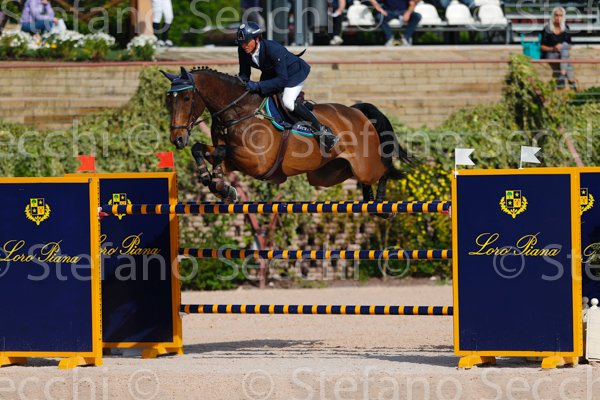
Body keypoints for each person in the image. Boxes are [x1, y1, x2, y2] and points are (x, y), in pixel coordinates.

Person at [237, 22, 339, 152]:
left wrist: (257, 85)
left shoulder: (273, 49)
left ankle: (323, 132)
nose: (244, 46)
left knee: (288, 102)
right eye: (241, 43)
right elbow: (244, 75)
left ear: (257, 39)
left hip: (293, 73)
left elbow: (281, 80)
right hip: (272, 73)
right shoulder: (242, 50)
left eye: (246, 42)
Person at [541, 6, 576, 90]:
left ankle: (562, 75)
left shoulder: (566, 28)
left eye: (561, 15)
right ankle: (571, 82)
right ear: (553, 16)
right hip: (551, 53)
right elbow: (542, 47)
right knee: (567, 60)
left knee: (564, 47)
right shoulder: (547, 28)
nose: (558, 17)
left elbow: (570, 46)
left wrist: (562, 46)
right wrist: (553, 48)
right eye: (556, 15)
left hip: (562, 55)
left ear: (563, 17)